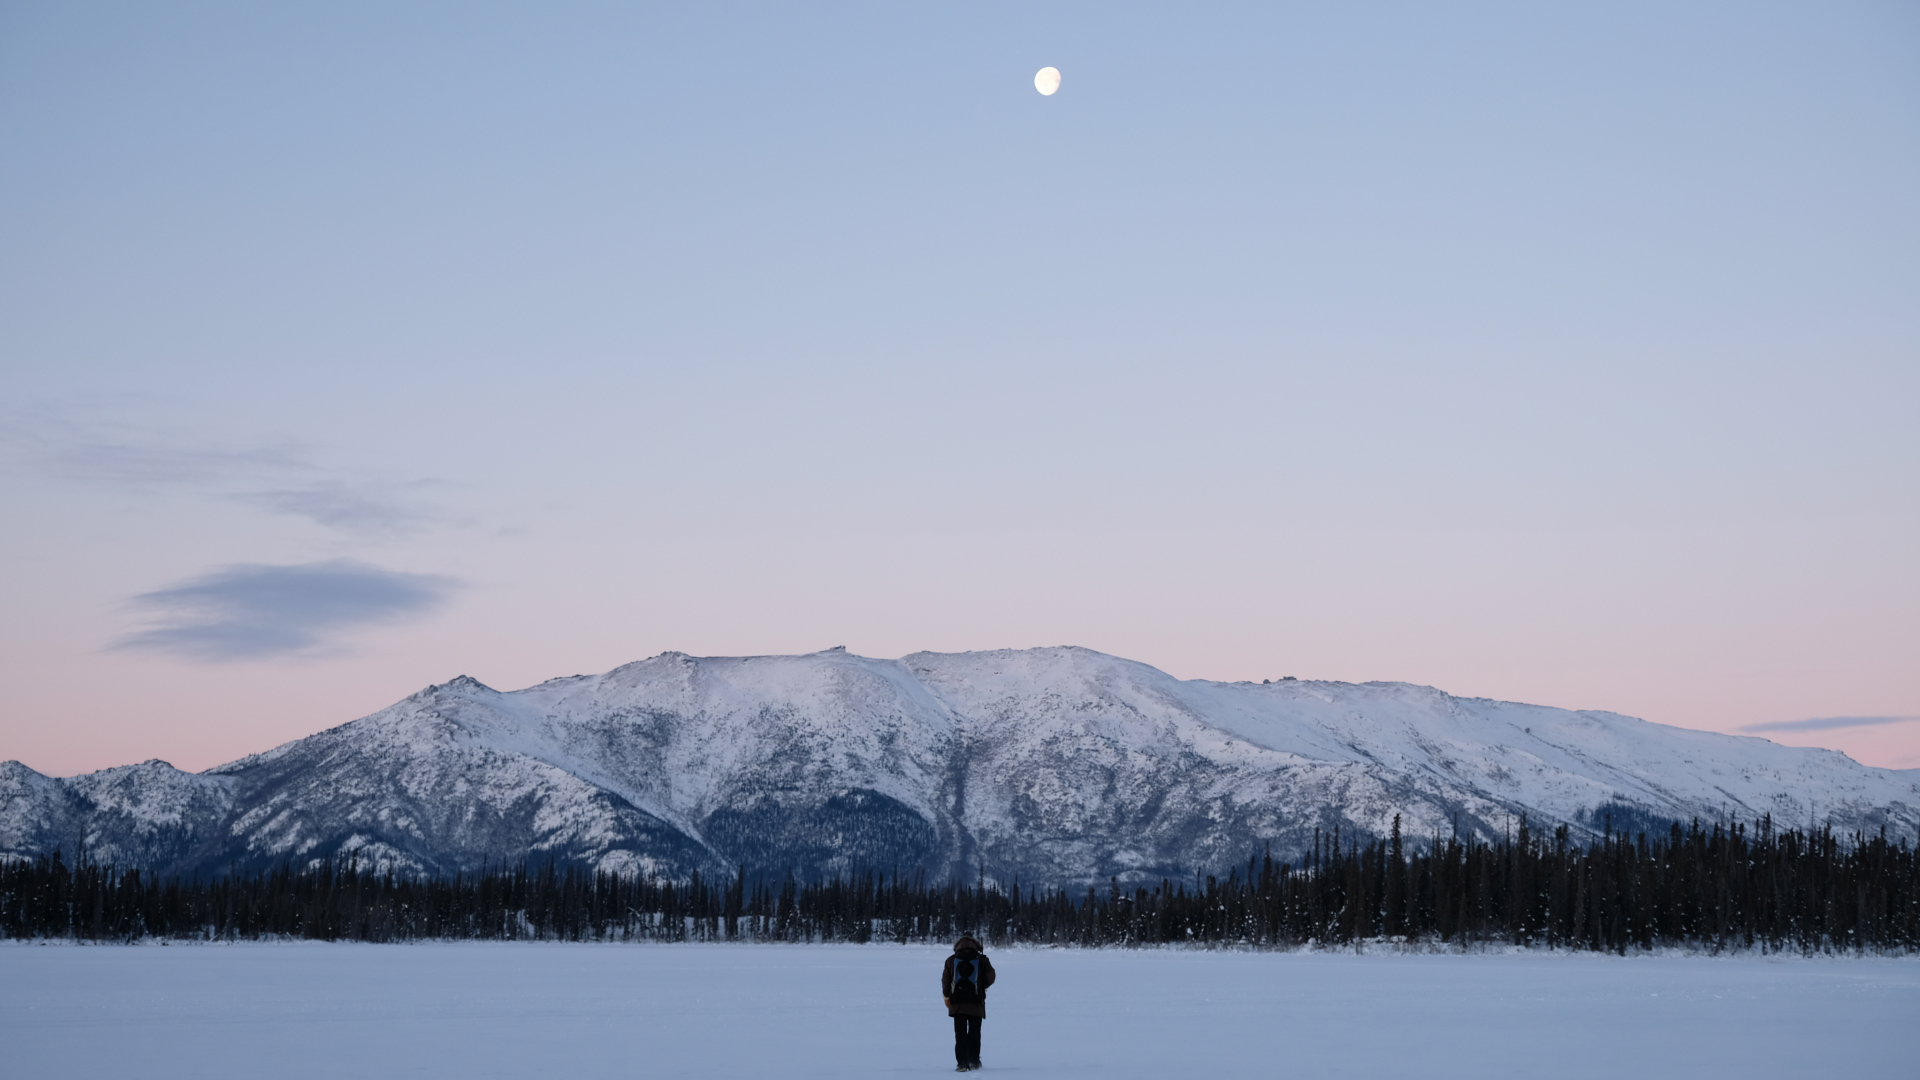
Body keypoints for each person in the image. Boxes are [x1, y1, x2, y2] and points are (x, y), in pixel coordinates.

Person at [941, 935, 996, 1071]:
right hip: (976, 1001)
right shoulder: (982, 959)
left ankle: (962, 1063)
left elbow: (945, 981)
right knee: (974, 1033)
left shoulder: (951, 960)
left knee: (960, 1035)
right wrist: (981, 986)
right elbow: (991, 976)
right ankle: (974, 1061)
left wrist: (947, 998)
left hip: (957, 1003)